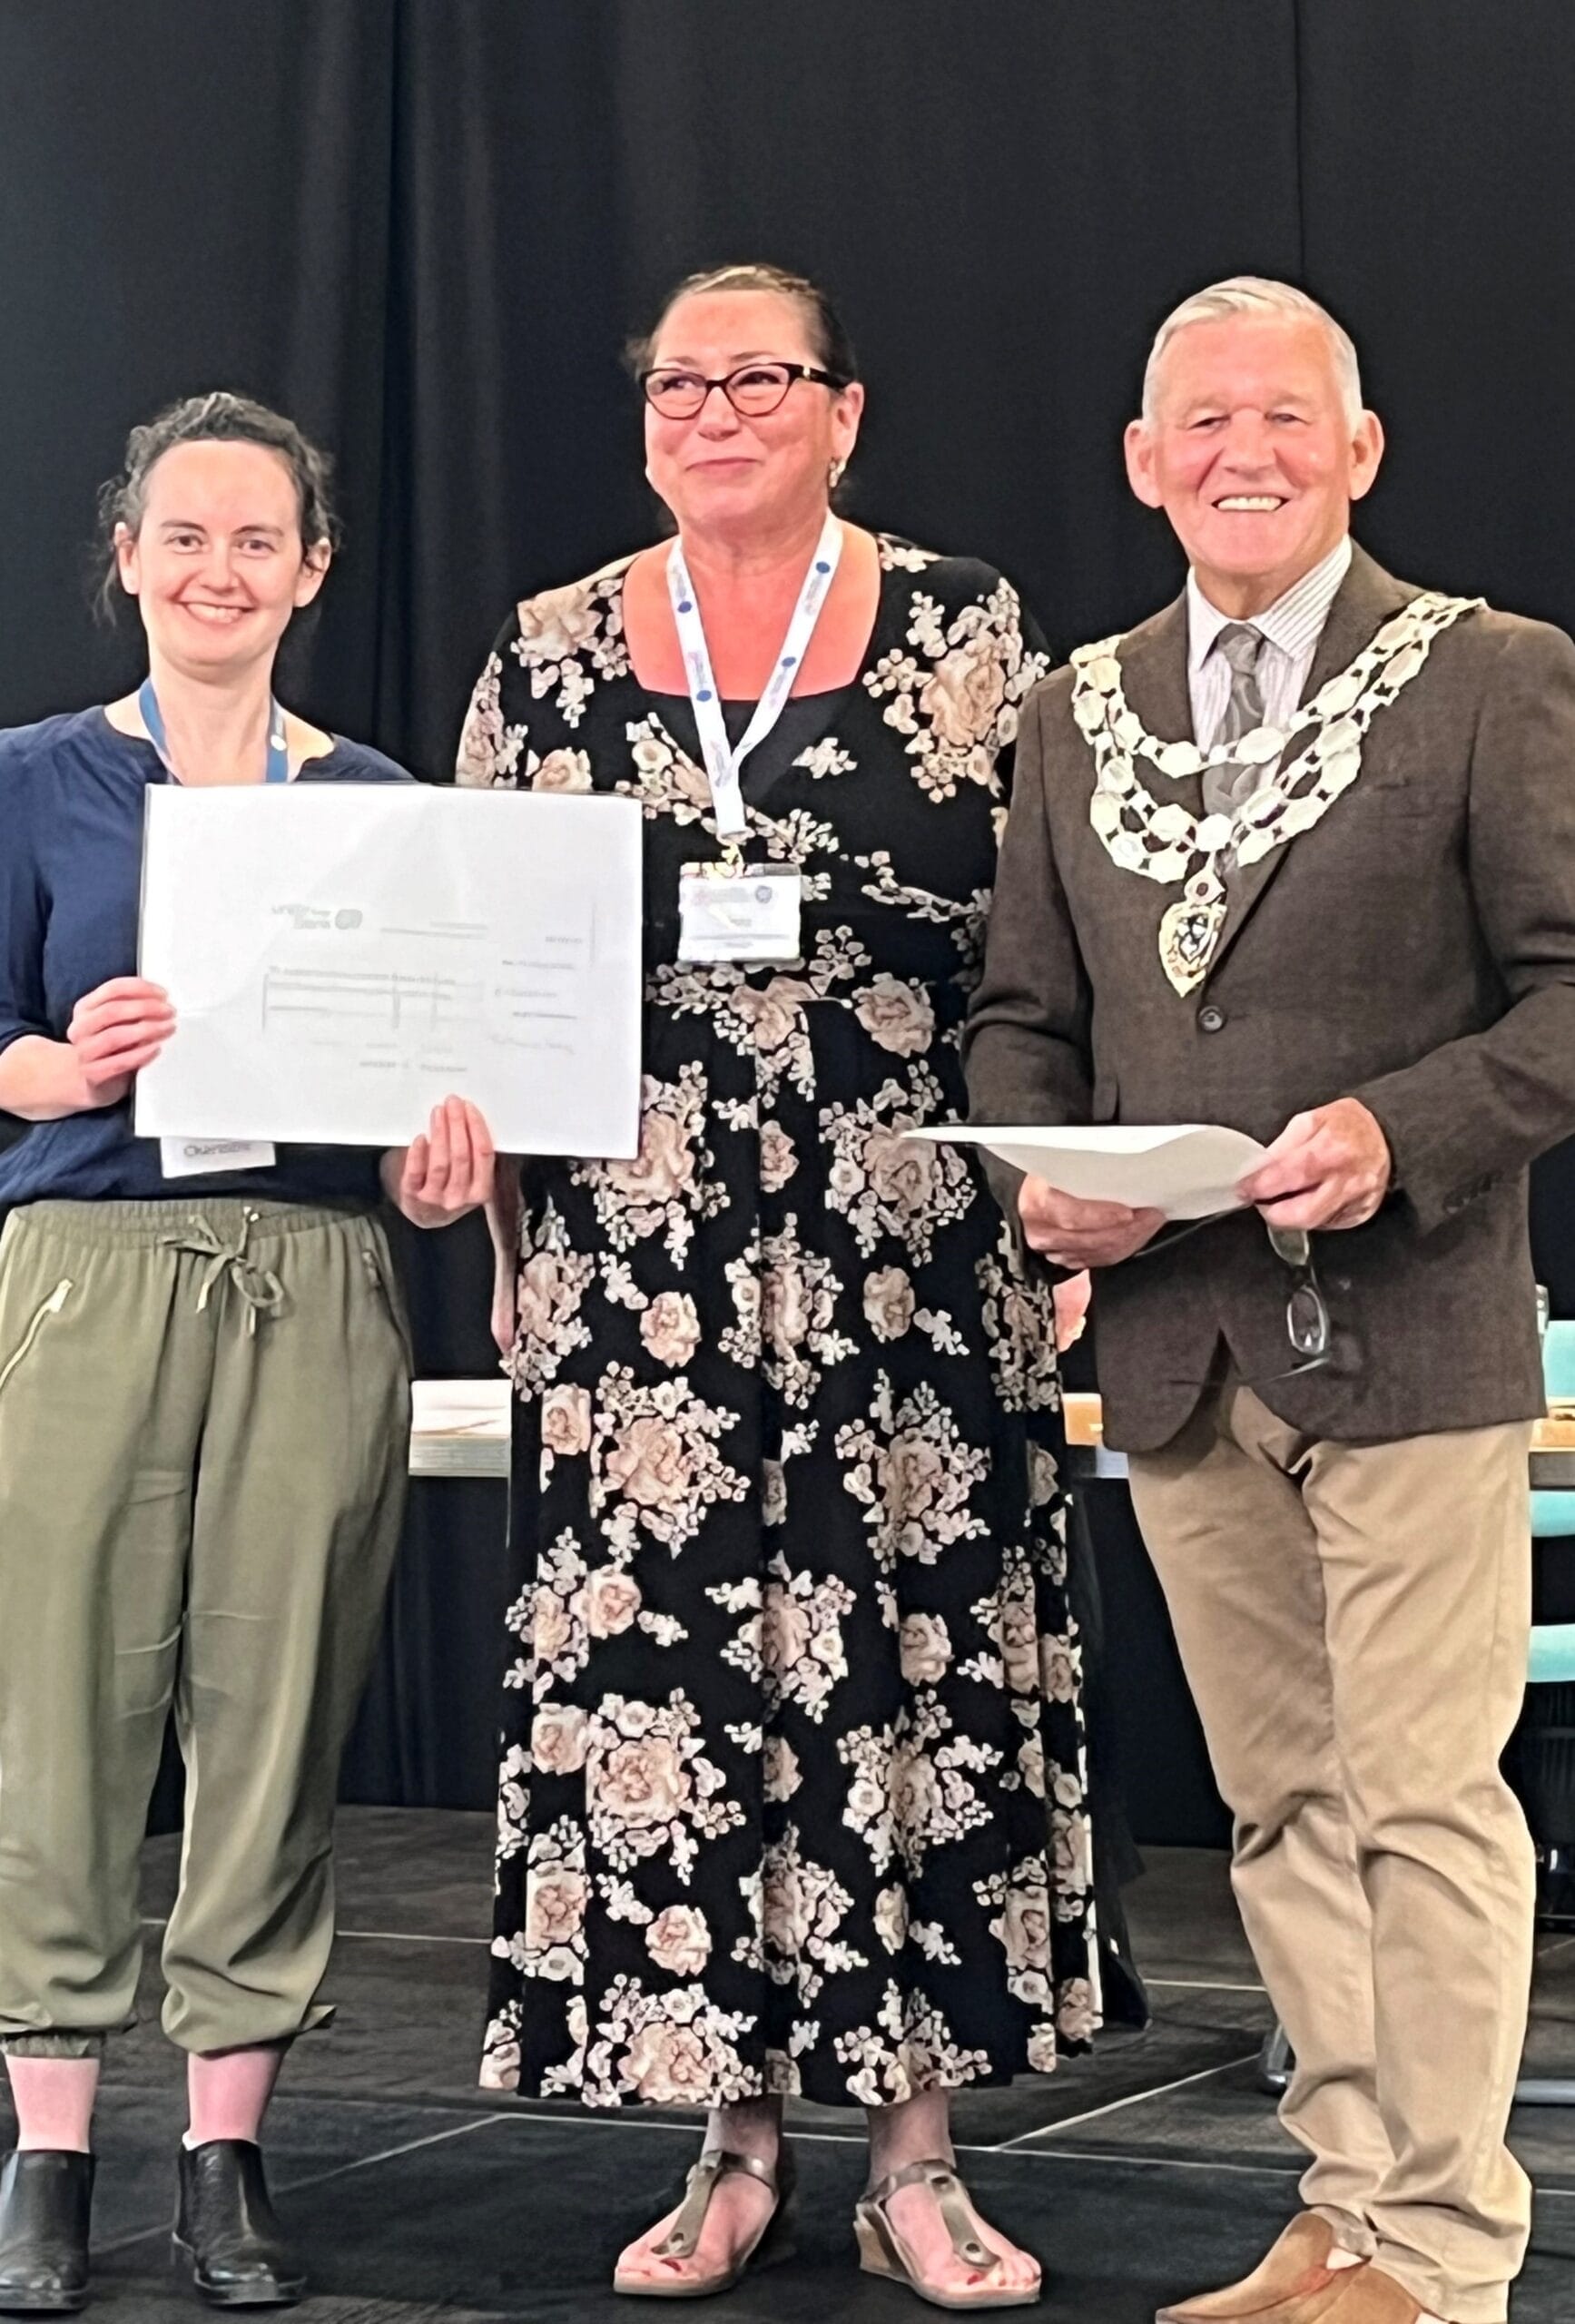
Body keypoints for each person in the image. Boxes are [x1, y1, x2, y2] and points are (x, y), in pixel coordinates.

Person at [458, 262, 1097, 2309]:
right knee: (682, 1696)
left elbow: (1057, 943)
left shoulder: (970, 625)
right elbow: (481, 978)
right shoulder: (548, 652)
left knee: (911, 1678)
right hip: (636, 1262)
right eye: (679, 381)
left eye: (760, 377)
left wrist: (1057, 1191)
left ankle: (916, 2159)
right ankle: (723, 2136)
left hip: (912, 1246)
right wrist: (497, 1245)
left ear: (843, 410)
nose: (715, 410)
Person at [965, 275, 1575, 2324]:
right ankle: (1340, 2208)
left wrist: (1401, 1130)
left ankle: (1449, 2247)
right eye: (1202, 421)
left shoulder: (1490, 675)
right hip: (1179, 1351)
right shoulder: (1072, 709)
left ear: (1361, 448)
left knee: (1422, 1797)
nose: (1245, 452)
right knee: (1281, 1806)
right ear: (1143, 463)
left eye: (1285, 418)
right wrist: (1044, 1169)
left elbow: (1572, 993)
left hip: (1410, 1325)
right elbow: (1021, 1014)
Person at [0, 393, 494, 2312]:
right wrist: (56, 1062)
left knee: (276, 1700)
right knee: (58, 1702)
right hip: (87, 1259)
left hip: (309, 1266)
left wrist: (440, 1164)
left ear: (313, 567)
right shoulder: (35, 778)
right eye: (181, 534)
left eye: (256, 539)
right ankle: (48, 2151)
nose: (219, 569)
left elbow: (415, 1097)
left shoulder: (372, 800)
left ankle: (225, 2149)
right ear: (124, 554)